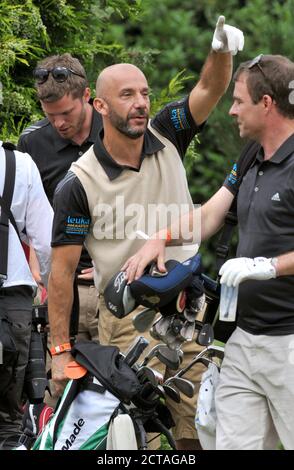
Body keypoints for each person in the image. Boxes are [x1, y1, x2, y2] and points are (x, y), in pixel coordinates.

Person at [48, 16, 244, 450]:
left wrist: (221, 49)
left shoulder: (168, 130)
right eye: (127, 95)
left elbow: (210, 89)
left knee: (199, 434)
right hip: (125, 321)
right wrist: (59, 353)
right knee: (140, 439)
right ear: (99, 106)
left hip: (190, 310)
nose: (140, 103)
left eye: (144, 94)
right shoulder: (78, 183)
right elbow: (60, 274)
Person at [123, 54, 294, 450]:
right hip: (241, 340)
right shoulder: (253, 155)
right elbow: (211, 214)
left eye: (238, 101)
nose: (231, 110)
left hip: (288, 345)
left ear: (266, 103)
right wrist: (161, 237)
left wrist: (269, 267)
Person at [17, 53, 102, 342]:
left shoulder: (117, 132)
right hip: (60, 288)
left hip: (114, 284)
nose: (59, 123)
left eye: (66, 113)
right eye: (50, 115)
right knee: (60, 383)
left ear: (87, 96)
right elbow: (24, 214)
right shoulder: (31, 142)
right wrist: (35, 270)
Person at [0, 141, 52, 449]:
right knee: (9, 423)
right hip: (12, 307)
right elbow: (46, 243)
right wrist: (46, 285)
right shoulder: (19, 166)